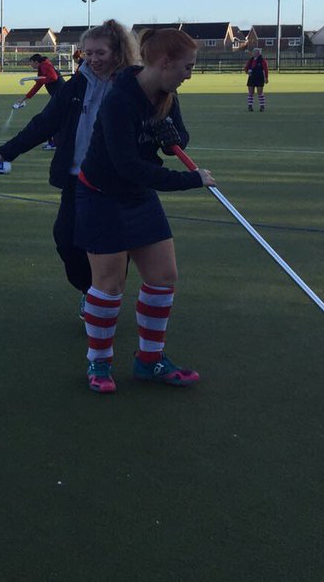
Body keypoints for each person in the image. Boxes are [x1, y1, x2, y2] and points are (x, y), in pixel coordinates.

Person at [74, 27, 215, 394]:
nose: (189, 73)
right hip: (102, 195)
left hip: (138, 197)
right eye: (187, 66)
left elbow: (178, 140)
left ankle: (150, 361)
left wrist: (170, 137)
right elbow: (127, 166)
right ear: (164, 62)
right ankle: (99, 363)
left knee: (164, 277)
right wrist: (191, 180)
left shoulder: (167, 94)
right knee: (109, 285)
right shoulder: (120, 99)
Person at [0, 21, 140, 316]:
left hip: (118, 182)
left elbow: (159, 116)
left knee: (115, 244)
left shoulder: (132, 85)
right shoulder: (78, 82)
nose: (93, 59)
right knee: (66, 240)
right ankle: (91, 289)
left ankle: (105, 293)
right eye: (88, 53)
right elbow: (46, 122)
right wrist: (7, 152)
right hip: (77, 179)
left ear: (119, 52)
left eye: (100, 53)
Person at [244, 47, 269, 112]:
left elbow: (266, 69)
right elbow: (246, 68)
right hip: (252, 77)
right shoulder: (251, 60)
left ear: (257, 53)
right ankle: (250, 106)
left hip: (259, 77)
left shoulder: (262, 60)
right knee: (251, 93)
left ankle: (262, 106)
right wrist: (247, 72)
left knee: (260, 93)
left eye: (254, 52)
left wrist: (266, 78)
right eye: (253, 52)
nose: (253, 53)